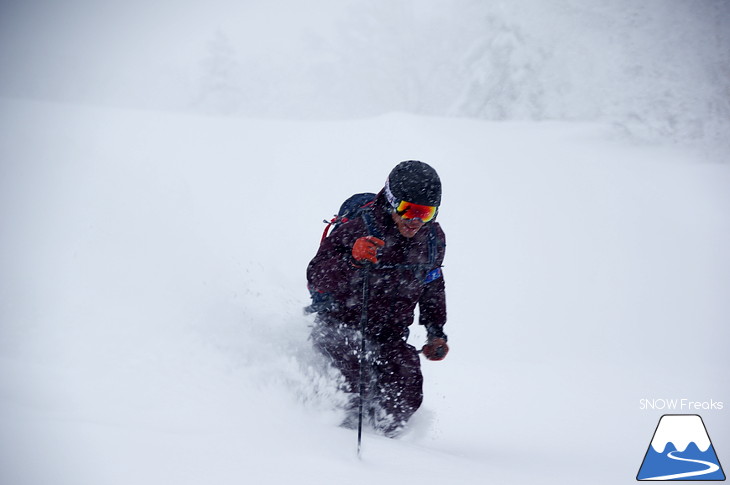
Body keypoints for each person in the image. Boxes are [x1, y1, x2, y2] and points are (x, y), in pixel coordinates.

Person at [306, 160, 448, 437]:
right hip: (340, 328)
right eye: (409, 210)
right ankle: (327, 449)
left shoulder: (432, 239)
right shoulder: (360, 227)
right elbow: (316, 275)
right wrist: (352, 259)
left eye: (425, 213)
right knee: (351, 393)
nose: (415, 221)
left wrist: (435, 332)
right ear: (393, 201)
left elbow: (433, 284)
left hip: (390, 336)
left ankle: (391, 450)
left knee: (404, 396)